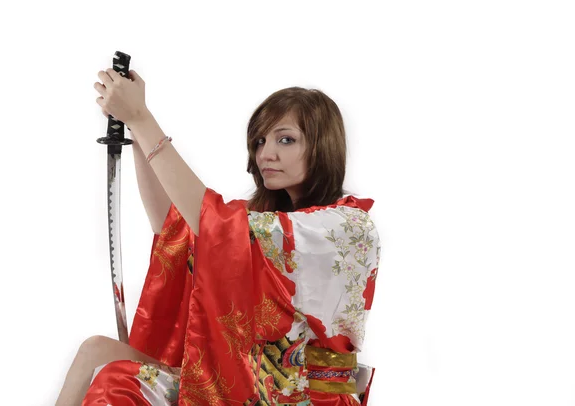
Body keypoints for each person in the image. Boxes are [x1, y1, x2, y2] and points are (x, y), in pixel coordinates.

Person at [56, 68, 381, 405]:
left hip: (299, 395)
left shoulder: (344, 227)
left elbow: (213, 224)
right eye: (260, 141)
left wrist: (141, 118)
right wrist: (136, 131)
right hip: (253, 383)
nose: (266, 153)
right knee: (96, 351)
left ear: (322, 144)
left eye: (286, 139)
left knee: (117, 382)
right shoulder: (269, 222)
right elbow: (175, 225)